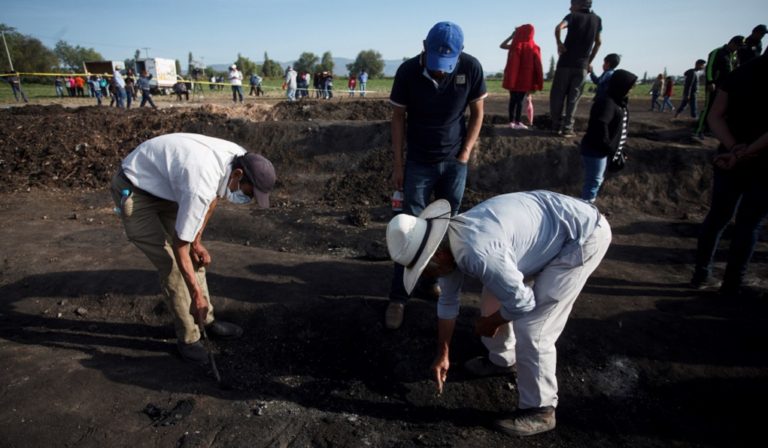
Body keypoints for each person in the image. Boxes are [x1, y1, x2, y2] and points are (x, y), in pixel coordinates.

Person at [385, 190, 611, 436]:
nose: (426, 277)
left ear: (436, 255)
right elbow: (448, 302)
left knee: (534, 328)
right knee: (494, 296)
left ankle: (540, 410)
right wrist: (443, 353)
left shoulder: (478, 252)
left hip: (580, 237)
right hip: (546, 232)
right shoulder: (447, 243)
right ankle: (504, 359)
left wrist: (492, 323)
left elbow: (523, 302)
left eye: (424, 270)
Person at [110, 133, 277, 363]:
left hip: (166, 186)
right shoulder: (201, 182)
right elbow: (180, 245)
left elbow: (213, 199)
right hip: (135, 190)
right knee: (173, 266)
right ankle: (189, 337)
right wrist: (196, 293)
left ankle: (206, 320)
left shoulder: (238, 158)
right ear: (239, 175)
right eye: (249, 192)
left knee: (195, 257)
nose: (248, 198)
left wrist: (197, 241)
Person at [385, 21, 487, 330]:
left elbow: (478, 113)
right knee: (409, 229)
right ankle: (398, 298)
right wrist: (399, 165)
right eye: (435, 63)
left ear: (459, 54)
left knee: (447, 230)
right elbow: (398, 118)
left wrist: (466, 152)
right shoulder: (407, 72)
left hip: (455, 163)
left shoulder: (471, 68)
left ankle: (432, 286)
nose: (440, 71)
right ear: (424, 47)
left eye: (447, 64)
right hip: (418, 162)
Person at [690, 53, 768, 299]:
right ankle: (733, 283)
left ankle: (701, 275)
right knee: (749, 224)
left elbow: (714, 115)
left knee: (717, 217)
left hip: (728, 158)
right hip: (763, 162)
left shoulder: (740, 72)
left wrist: (733, 148)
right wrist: (748, 151)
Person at [580, 69, 638, 203]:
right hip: (595, 150)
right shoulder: (607, 102)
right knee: (594, 181)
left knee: (596, 180)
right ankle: (585, 210)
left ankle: (587, 207)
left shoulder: (618, 102)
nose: (631, 90)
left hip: (602, 150)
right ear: (621, 85)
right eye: (630, 87)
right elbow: (601, 124)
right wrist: (609, 147)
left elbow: (617, 129)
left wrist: (618, 149)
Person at [550, 0, 602, 137]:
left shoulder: (572, 17)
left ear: (580, 5)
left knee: (558, 96)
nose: (570, 7)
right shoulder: (597, 20)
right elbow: (599, 42)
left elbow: (558, 28)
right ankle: (568, 128)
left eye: (572, 4)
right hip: (582, 67)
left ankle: (555, 126)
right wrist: (589, 61)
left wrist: (559, 43)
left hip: (565, 64)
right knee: (574, 98)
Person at [694, 35, 744, 138]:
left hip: (727, 86)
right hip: (715, 85)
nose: (738, 48)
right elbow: (709, 67)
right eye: (738, 46)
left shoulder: (734, 55)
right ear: (732, 43)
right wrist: (710, 81)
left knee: (721, 109)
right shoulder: (718, 52)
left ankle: (709, 129)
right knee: (709, 107)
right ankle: (698, 130)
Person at [499, 24, 544, 130]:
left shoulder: (515, 45)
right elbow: (538, 66)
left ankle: (511, 122)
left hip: (512, 79)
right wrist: (537, 81)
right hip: (525, 79)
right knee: (520, 101)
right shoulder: (534, 47)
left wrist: (512, 36)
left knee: (513, 100)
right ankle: (518, 122)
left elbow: (502, 45)